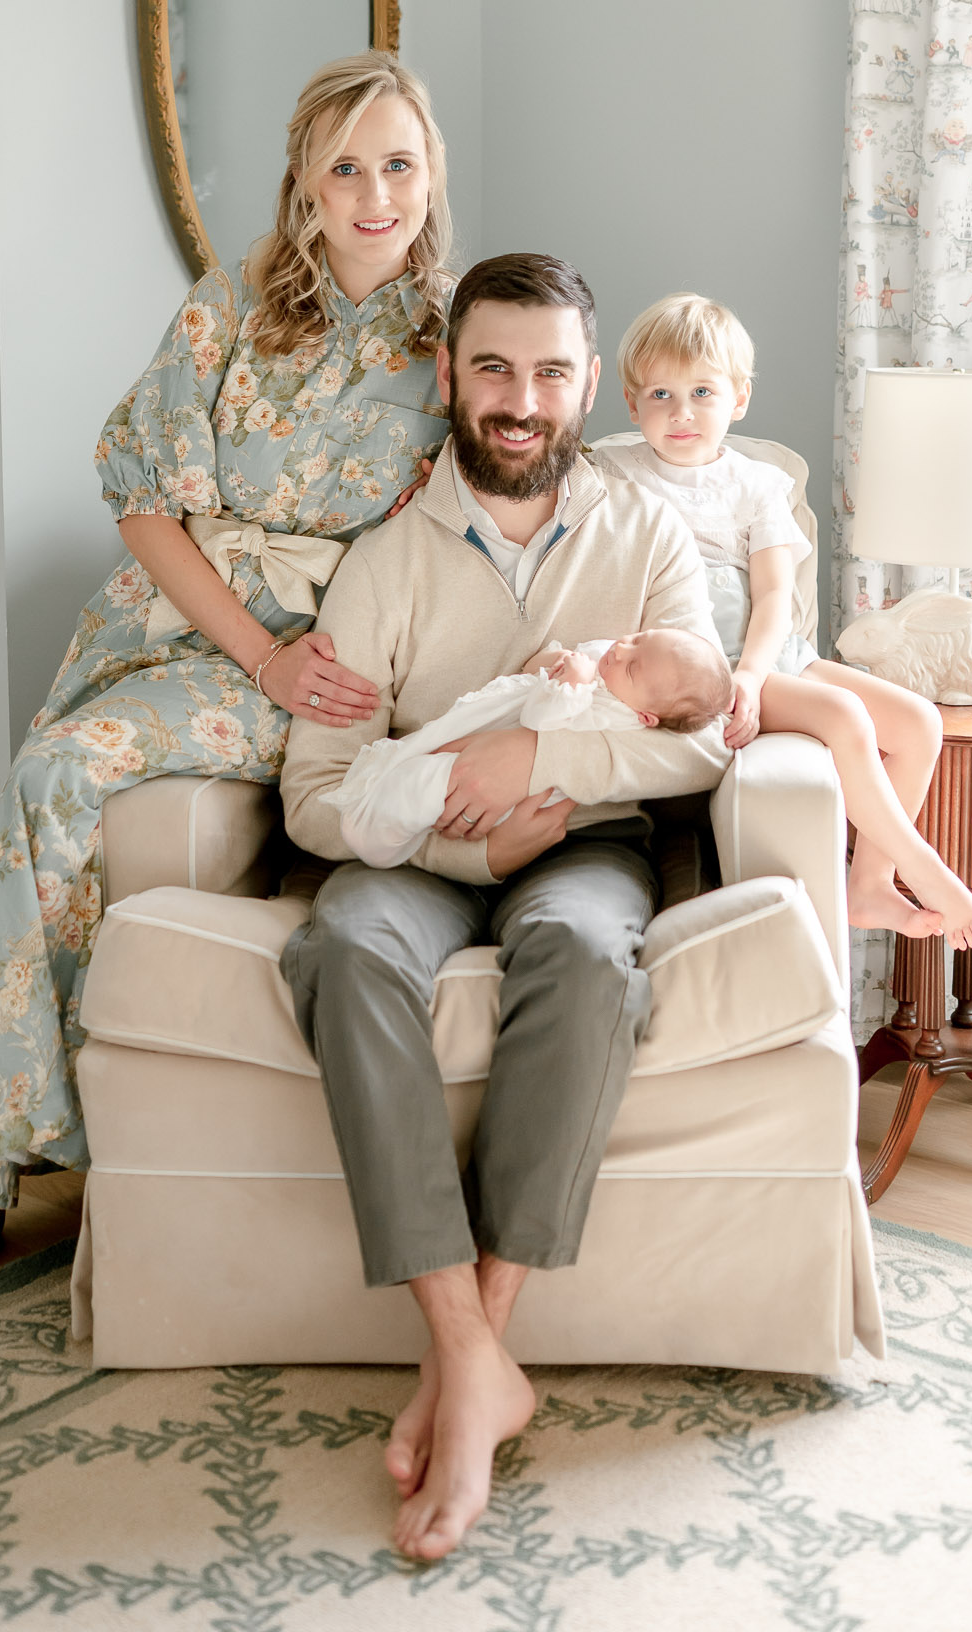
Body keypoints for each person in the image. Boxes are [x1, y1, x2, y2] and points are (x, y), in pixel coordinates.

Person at [0, 51, 455, 1316]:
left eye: (397, 163)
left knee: (57, 770)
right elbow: (141, 497)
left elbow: (519, 481)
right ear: (304, 175)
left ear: (431, 173)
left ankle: (20, 1170)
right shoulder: (232, 300)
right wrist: (250, 644)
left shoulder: (452, 339)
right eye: (345, 165)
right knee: (48, 795)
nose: (373, 194)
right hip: (179, 623)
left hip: (313, 657)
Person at [278, 253, 728, 1562]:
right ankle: (469, 1357)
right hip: (415, 855)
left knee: (587, 955)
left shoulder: (647, 535)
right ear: (449, 377)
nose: (519, 399)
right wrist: (464, 838)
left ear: (587, 384)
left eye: (548, 372)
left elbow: (699, 746)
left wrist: (538, 764)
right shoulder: (383, 563)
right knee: (340, 950)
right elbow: (313, 796)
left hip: (586, 847)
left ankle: (475, 1354)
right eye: (492, 368)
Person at [604, 291, 972, 952]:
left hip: (769, 652)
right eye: (660, 395)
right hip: (708, 661)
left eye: (702, 392)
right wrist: (738, 681)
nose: (681, 413)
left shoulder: (757, 484)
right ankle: (923, 869)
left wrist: (757, 677)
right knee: (843, 719)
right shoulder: (615, 475)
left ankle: (869, 881)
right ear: (630, 403)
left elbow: (773, 594)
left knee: (916, 722)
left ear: (738, 399)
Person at [323, 628, 732, 867]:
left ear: (646, 718)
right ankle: (378, 811)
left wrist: (571, 684)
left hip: (530, 816)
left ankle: (378, 834)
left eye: (632, 665)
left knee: (424, 785)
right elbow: (538, 666)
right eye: (637, 638)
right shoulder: (616, 671)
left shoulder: (616, 714)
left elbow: (542, 723)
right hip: (481, 751)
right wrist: (558, 659)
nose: (621, 649)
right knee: (413, 765)